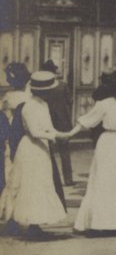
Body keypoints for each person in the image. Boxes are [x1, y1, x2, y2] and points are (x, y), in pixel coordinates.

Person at [0, 70, 71, 240]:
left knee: (40, 183)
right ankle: (14, 221)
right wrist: (55, 136)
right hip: (30, 148)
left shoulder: (44, 105)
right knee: (25, 183)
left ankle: (34, 223)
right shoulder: (28, 106)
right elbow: (34, 132)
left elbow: (48, 128)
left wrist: (63, 134)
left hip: (42, 148)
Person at [73, 71, 116, 236]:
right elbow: (87, 120)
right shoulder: (105, 104)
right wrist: (69, 134)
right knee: (104, 181)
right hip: (108, 144)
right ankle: (99, 223)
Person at [40, 59, 74, 187]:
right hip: (63, 122)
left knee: (47, 151)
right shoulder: (63, 85)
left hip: (47, 121)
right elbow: (70, 101)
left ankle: (49, 179)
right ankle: (68, 179)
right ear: (54, 72)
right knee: (64, 152)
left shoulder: (42, 88)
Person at [1, 62, 31, 201]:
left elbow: (5, 117)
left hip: (11, 131)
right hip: (24, 132)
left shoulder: (8, 96)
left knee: (9, 164)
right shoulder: (28, 96)